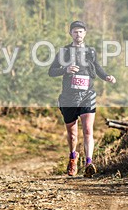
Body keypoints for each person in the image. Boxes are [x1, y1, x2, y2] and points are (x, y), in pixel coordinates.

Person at [48, 20, 116, 177]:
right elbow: (51, 71)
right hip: (69, 97)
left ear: (85, 33)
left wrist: (106, 77)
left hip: (87, 95)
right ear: (70, 33)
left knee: (87, 130)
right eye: (75, 31)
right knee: (72, 134)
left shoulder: (90, 52)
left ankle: (89, 163)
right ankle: (73, 157)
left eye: (81, 31)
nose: (78, 34)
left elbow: (97, 67)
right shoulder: (64, 52)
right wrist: (65, 69)